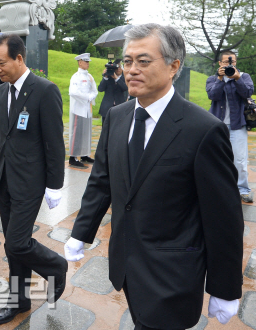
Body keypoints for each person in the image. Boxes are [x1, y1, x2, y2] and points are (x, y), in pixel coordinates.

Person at [64, 24, 244, 329]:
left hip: (172, 274)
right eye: (127, 61)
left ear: (174, 66)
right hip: (125, 262)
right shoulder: (117, 117)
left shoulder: (203, 130)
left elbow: (224, 217)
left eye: (143, 61)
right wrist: (81, 232)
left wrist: (225, 288)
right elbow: (102, 180)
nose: (132, 69)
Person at [0, 34, 68, 325]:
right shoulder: (1, 92)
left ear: (19, 58)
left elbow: (55, 143)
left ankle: (56, 267)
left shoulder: (44, 90)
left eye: (1, 62)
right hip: (4, 179)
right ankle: (18, 301)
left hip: (31, 181)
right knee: (12, 243)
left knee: (16, 243)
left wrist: (55, 184)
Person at [206, 50, 254, 203]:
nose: (229, 65)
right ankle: (217, 188)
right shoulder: (213, 79)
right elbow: (213, 96)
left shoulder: (243, 77)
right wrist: (220, 79)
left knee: (239, 160)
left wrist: (237, 78)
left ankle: (243, 190)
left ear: (236, 62)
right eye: (226, 62)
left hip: (237, 124)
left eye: (232, 62)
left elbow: (247, 92)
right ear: (220, 63)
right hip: (217, 125)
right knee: (216, 158)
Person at [68, 53, 98, 168]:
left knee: (86, 133)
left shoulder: (89, 76)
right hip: (78, 109)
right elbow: (73, 92)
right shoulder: (76, 76)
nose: (88, 63)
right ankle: (73, 157)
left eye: (88, 62)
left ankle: (85, 154)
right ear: (80, 62)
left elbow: (94, 90)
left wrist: (91, 96)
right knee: (76, 133)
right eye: (86, 62)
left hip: (87, 109)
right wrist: (87, 97)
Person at [98, 60, 128, 125]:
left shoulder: (124, 78)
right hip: (107, 108)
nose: (118, 69)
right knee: (105, 128)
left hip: (119, 107)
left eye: (120, 67)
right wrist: (105, 77)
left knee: (118, 127)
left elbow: (125, 88)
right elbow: (100, 89)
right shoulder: (108, 78)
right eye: (116, 67)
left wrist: (116, 78)